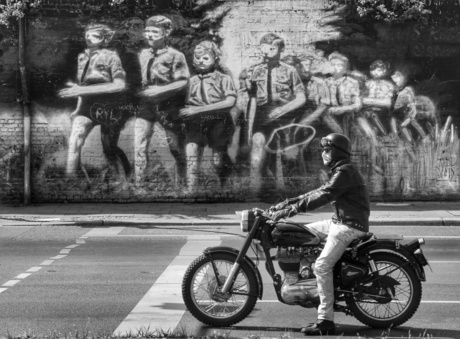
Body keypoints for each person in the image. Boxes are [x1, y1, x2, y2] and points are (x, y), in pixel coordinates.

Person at [270, 132, 370, 336]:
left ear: (337, 152)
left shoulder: (345, 172)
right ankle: (306, 276)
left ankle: (325, 321)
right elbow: (320, 190)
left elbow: (325, 195)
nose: (323, 153)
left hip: (349, 226)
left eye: (326, 150)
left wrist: (290, 211)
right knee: (303, 232)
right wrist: (288, 203)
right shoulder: (341, 170)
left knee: (323, 266)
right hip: (339, 222)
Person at [58, 23, 131, 186]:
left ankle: (125, 179)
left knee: (109, 149)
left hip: (108, 107)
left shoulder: (111, 56)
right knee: (75, 139)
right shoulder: (82, 57)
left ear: (104, 39)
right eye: (87, 34)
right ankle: (70, 182)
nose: (89, 38)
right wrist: (77, 108)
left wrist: (80, 91)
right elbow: (81, 86)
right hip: (86, 106)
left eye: (95, 35)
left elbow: (119, 85)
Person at [240, 33, 306, 194]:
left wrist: (282, 110)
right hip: (263, 113)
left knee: (285, 154)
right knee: (257, 143)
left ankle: (285, 189)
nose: (267, 51)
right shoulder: (254, 70)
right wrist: (249, 127)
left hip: (285, 113)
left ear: (280, 49)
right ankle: (254, 189)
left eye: (272, 48)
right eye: (263, 48)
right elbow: (253, 100)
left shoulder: (290, 70)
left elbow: (301, 97)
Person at [135, 15, 190, 187]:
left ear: (166, 33)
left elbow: (183, 81)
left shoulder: (176, 55)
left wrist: (160, 90)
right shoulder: (143, 54)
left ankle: (182, 182)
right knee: (139, 143)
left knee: (175, 147)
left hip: (169, 104)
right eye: (147, 31)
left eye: (154, 32)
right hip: (147, 104)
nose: (149, 35)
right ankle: (138, 186)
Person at [179, 41, 237, 191]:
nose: (201, 62)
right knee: (191, 151)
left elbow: (230, 101)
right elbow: (186, 103)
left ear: (215, 59)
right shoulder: (191, 81)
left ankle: (225, 184)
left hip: (219, 120)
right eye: (197, 58)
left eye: (205, 58)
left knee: (218, 160)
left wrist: (199, 109)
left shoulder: (224, 78)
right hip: (196, 121)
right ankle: (192, 190)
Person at [324, 52, 362, 137]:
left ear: (345, 68)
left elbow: (358, 104)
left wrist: (344, 108)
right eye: (332, 64)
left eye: (339, 65)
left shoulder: (352, 82)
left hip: (347, 114)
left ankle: (344, 140)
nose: (335, 68)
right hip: (330, 115)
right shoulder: (325, 82)